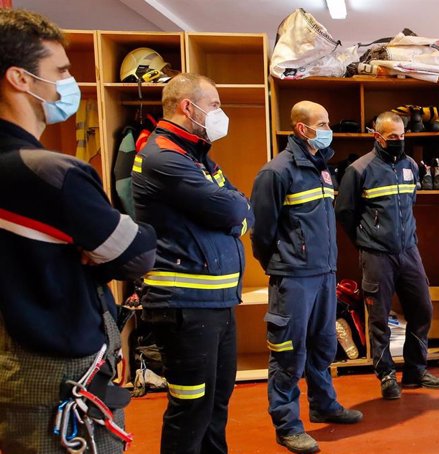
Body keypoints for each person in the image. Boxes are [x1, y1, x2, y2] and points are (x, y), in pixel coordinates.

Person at [0, 9, 156, 453]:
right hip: (59, 379)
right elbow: (137, 253)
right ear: (21, 79)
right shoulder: (49, 173)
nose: (72, 82)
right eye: (62, 71)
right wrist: (105, 243)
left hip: (17, 371)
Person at [131, 73, 253, 454]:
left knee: (216, 404)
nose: (220, 113)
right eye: (214, 105)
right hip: (184, 306)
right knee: (191, 409)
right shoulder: (162, 157)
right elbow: (234, 207)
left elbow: (239, 207)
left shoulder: (196, 155)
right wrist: (234, 213)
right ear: (189, 106)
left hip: (217, 304)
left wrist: (234, 212)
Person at [251, 100, 363, 454]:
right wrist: (283, 263)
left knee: (323, 345)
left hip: (324, 274)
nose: (329, 129)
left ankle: (324, 404)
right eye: (324, 123)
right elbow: (261, 232)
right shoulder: (276, 172)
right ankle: (287, 426)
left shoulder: (322, 169)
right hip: (294, 278)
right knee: (288, 354)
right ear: (302, 128)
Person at [335, 111, 439, 400]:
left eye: (402, 136)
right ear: (377, 136)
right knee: (379, 318)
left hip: (409, 251)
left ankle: (414, 371)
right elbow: (345, 213)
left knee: (423, 309)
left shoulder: (411, 165)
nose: (398, 141)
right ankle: (385, 375)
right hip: (376, 255)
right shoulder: (359, 170)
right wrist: (366, 240)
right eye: (392, 137)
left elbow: (410, 204)